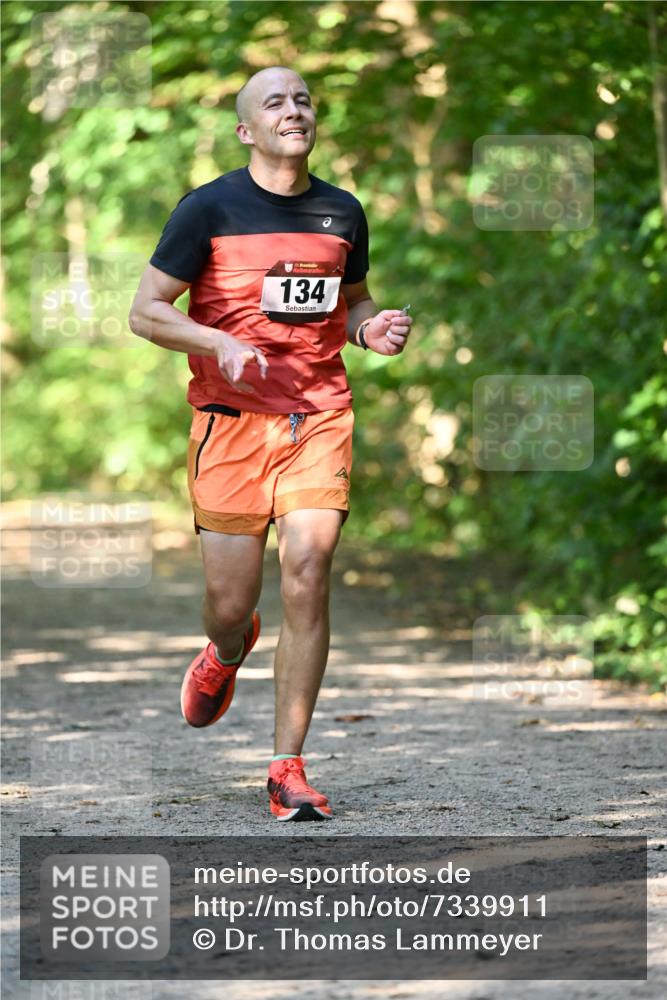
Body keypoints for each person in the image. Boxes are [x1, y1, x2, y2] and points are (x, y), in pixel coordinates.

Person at [129, 66, 412, 821]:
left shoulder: (341, 212)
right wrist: (215, 340)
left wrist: (371, 330)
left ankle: (287, 765)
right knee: (230, 604)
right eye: (275, 101)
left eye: (303, 99)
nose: (294, 109)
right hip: (230, 423)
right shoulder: (208, 209)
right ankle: (226, 649)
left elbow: (353, 304)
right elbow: (146, 311)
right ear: (246, 130)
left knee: (308, 571)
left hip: (317, 416)